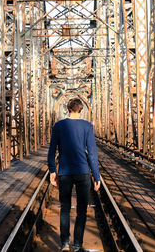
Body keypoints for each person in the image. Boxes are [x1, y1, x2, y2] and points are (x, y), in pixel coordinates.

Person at [47, 98, 101, 252]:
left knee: (65, 209)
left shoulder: (58, 126)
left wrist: (52, 171)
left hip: (64, 173)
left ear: (67, 109)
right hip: (83, 172)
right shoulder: (87, 126)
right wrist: (96, 176)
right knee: (81, 211)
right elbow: (92, 154)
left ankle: (64, 244)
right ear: (81, 109)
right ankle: (77, 246)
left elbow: (51, 152)